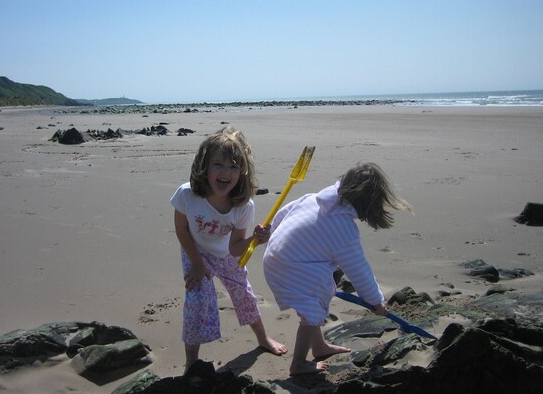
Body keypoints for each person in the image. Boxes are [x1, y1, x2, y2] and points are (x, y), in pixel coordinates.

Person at [263, 162, 412, 376]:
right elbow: (359, 271)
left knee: (311, 304)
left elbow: (282, 216)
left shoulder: (313, 198)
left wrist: (276, 243)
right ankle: (298, 364)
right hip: (292, 267)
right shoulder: (344, 230)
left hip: (275, 256)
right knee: (313, 309)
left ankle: (319, 346)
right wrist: (375, 301)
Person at [170, 127, 287, 373]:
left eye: (234, 167)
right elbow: (181, 230)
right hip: (195, 251)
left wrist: (255, 239)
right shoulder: (186, 195)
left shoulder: (243, 206)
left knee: (244, 294)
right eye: (218, 165)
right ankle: (191, 361)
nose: (226, 173)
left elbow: (236, 248)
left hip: (225, 254)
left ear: (242, 171)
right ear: (204, 166)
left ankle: (263, 338)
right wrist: (197, 264)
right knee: (196, 301)